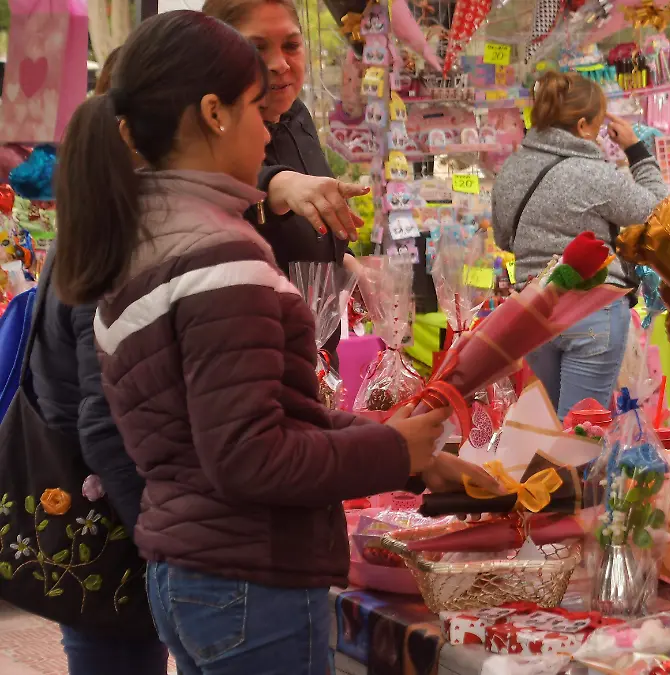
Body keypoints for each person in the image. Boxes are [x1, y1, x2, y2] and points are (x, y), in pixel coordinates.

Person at [52, 11, 495, 674]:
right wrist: (386, 450)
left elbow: (247, 418)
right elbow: (249, 456)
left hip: (196, 570)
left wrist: (407, 453)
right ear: (213, 113)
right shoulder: (218, 255)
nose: (270, 129)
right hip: (250, 578)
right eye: (258, 107)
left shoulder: (149, 234)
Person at [27, 44, 170, 675]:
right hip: (109, 513)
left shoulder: (94, 220)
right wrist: (166, 538)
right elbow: (101, 414)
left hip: (101, 510)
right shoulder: (114, 237)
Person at [492, 71, 669, 419]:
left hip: (533, 308)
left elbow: (503, 238)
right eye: (600, 127)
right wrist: (636, 149)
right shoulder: (594, 173)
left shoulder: (510, 170)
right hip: (593, 308)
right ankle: (572, 475)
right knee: (581, 430)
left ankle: (551, 476)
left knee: (556, 428)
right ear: (585, 125)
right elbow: (659, 214)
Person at [204, 0, 363, 368]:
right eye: (257, 49)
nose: (280, 64)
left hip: (315, 364)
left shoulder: (296, 116)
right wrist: (279, 185)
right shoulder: (206, 132)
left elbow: (303, 229)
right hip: (248, 371)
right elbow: (219, 191)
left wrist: (347, 264)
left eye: (291, 45)